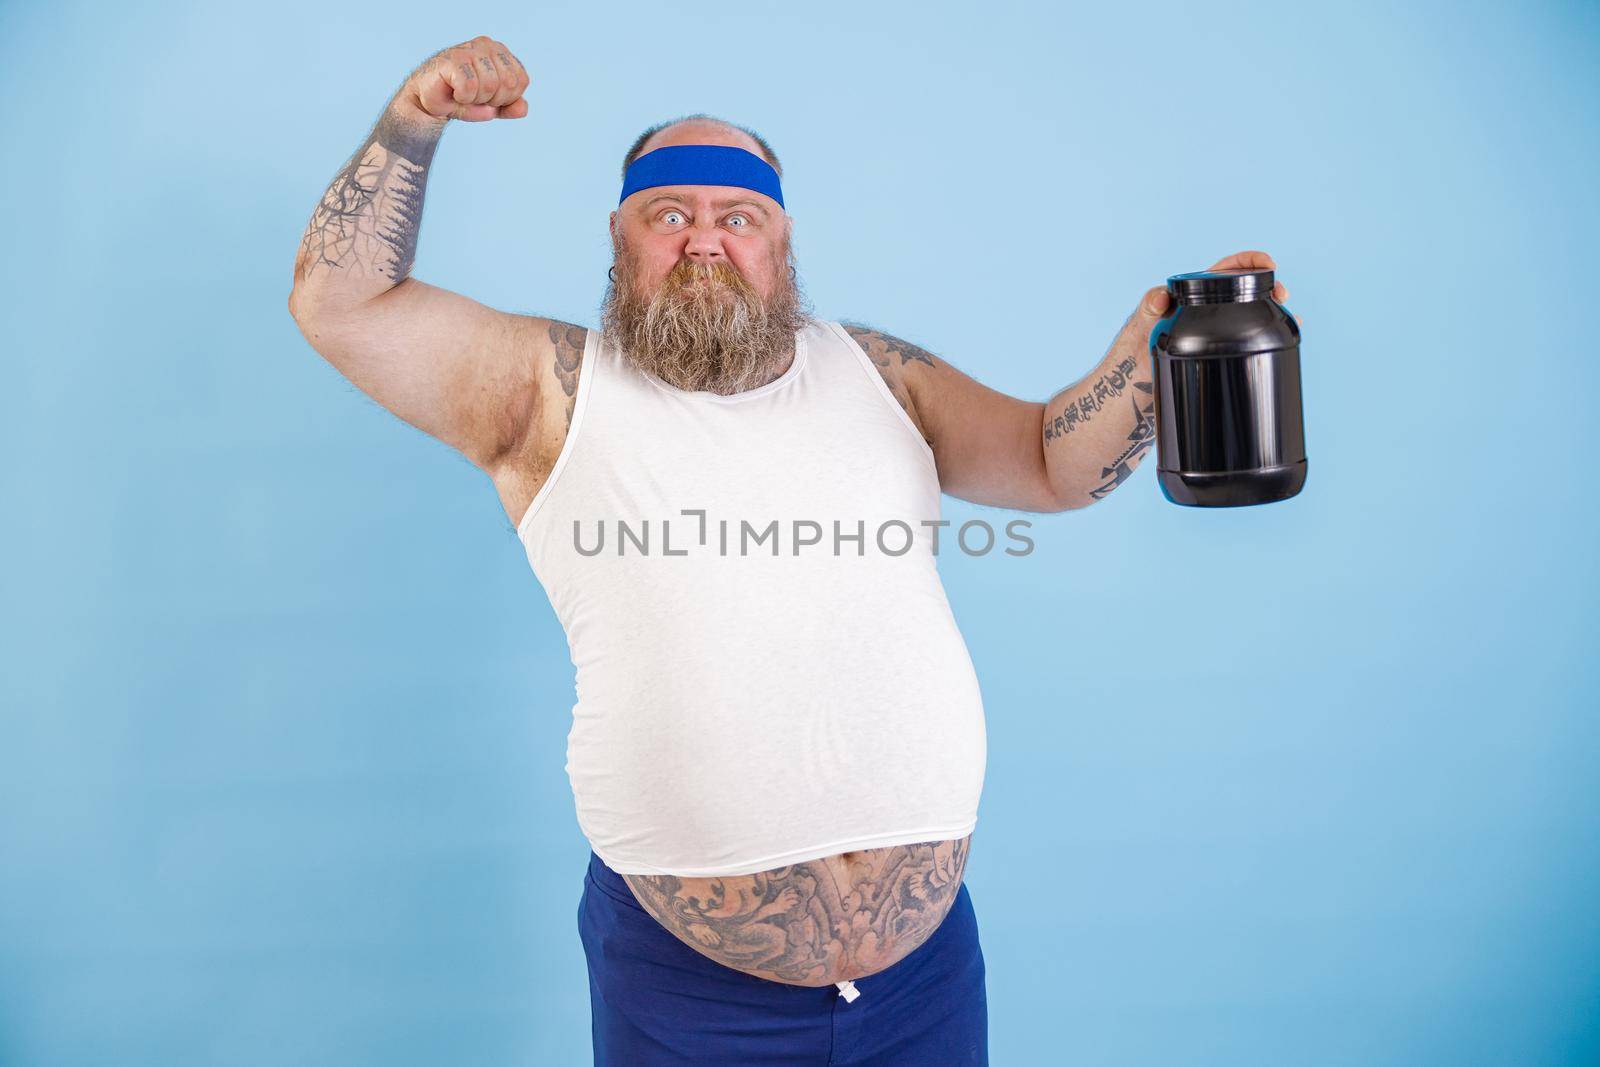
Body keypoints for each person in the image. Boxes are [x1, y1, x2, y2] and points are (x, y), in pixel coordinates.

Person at [287, 34, 1293, 1066]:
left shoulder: (875, 372)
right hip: (690, 993)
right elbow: (338, 303)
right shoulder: (548, 388)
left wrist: (1142, 353)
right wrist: (414, 119)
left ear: (782, 241)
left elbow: (1047, 461)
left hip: (923, 978)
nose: (705, 239)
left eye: (739, 216)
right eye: (667, 214)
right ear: (619, 237)